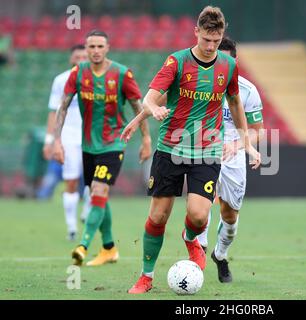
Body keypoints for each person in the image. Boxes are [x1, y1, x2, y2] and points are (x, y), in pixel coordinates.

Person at [123, 6, 261, 294]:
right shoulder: (177, 61)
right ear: (196, 32)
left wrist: (246, 141)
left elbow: (235, 103)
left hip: (207, 149)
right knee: (158, 216)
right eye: (206, 40)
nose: (211, 47)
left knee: (199, 216)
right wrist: (152, 110)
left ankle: (190, 237)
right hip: (171, 147)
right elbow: (150, 97)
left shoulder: (228, 66)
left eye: (216, 40)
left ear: (221, 35)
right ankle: (146, 277)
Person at [52, 30, 151, 266]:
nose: (95, 51)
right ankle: (109, 248)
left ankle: (83, 245)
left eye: (100, 46)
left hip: (114, 143)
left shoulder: (121, 73)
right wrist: (57, 141)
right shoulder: (78, 73)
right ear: (86, 49)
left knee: (97, 191)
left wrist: (146, 139)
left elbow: (140, 107)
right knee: (99, 195)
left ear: (108, 48)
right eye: (91, 47)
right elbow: (63, 107)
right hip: (88, 146)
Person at [196, 37, 264, 283]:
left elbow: (258, 130)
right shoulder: (198, 84)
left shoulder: (247, 90)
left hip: (233, 157)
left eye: (226, 60)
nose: (221, 65)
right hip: (203, 151)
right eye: (217, 59)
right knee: (200, 207)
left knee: (230, 216)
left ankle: (220, 255)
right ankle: (199, 255)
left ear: (235, 61)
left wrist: (240, 146)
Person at [43, 44, 91, 241]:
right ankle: (71, 227)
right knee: (71, 180)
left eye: (83, 56)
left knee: (95, 181)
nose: (80, 60)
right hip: (69, 136)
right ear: (72, 59)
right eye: (77, 56)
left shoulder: (98, 79)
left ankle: (87, 213)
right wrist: (51, 141)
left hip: (91, 136)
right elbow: (53, 112)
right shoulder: (61, 80)